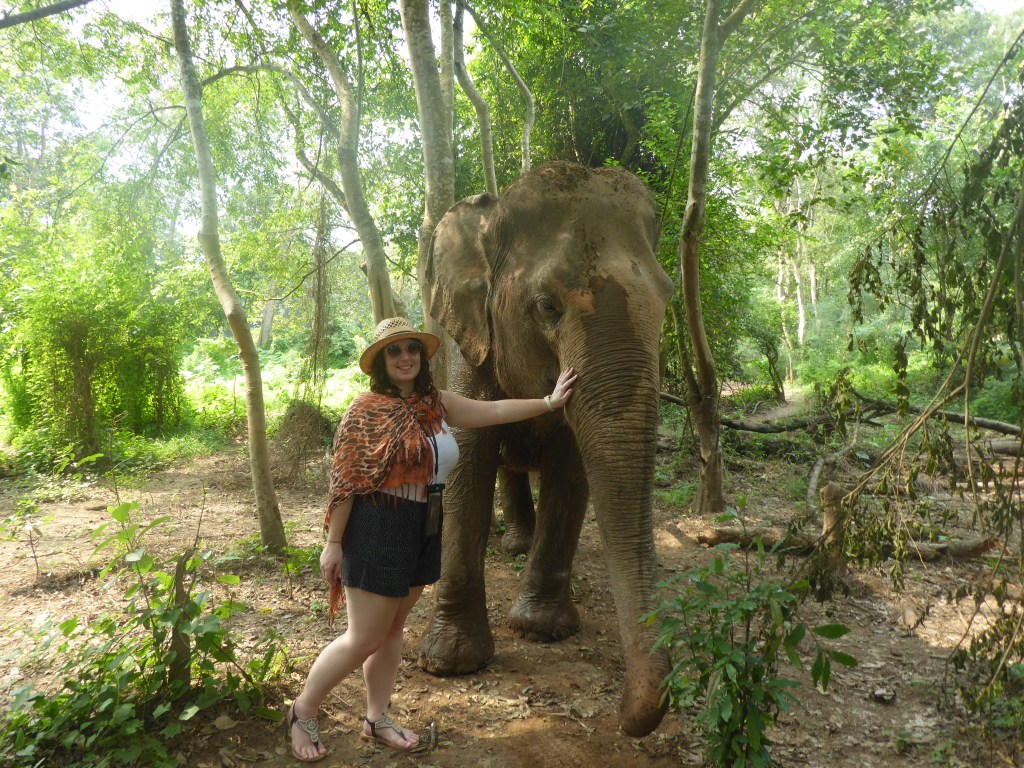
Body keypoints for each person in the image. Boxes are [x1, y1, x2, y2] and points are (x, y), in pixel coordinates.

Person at [288, 316, 577, 762]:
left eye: (412, 348)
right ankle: (303, 711)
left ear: (422, 357)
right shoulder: (365, 410)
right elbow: (346, 483)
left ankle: (376, 717)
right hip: (378, 524)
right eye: (394, 350)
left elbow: (494, 412)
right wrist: (333, 543)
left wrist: (549, 401)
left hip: (426, 520)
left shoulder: (435, 404)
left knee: (393, 631)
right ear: (381, 362)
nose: (405, 357)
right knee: (364, 636)